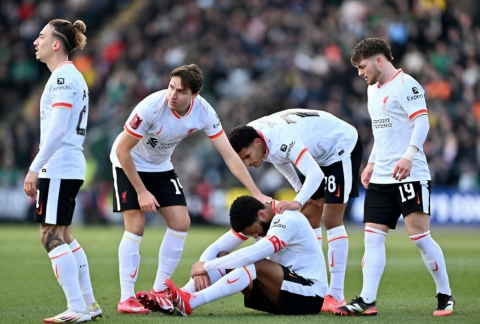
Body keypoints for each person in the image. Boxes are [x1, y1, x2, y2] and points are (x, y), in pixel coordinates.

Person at [110, 64, 271, 314]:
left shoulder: (204, 112)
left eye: (181, 91)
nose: (172, 95)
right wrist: (142, 191)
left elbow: (229, 156)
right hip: (128, 162)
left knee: (181, 222)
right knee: (136, 226)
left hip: (160, 167)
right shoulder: (150, 107)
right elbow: (122, 149)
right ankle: (126, 298)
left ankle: (159, 290)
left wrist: (257, 192)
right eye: (171, 87)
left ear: (194, 95)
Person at [333, 37, 454, 317]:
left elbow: (421, 123)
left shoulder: (407, 85)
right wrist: (372, 163)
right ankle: (366, 300)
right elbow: (382, 132)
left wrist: (409, 156)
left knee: (420, 237)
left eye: (362, 67)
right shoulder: (372, 91)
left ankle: (445, 295)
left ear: (378, 60)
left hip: (410, 174)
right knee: (373, 238)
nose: (360, 73)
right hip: (381, 177)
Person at [227, 108, 363, 311]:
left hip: (340, 147)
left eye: (247, 157)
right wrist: (300, 191)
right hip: (318, 153)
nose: (248, 164)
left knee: (332, 218)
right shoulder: (258, 137)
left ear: (257, 143)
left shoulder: (280, 137)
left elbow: (314, 175)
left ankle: (335, 295)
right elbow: (280, 160)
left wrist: (298, 201)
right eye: (242, 161)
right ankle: (317, 282)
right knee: (309, 219)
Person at [24, 19, 101, 323]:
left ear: (56, 44)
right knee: (65, 235)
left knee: (49, 236)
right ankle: (89, 304)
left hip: (59, 165)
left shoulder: (62, 79)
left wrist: (34, 167)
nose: (35, 41)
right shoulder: (70, 76)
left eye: (41, 36)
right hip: (68, 163)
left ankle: (77, 308)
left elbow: (57, 130)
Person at [155, 195, 328, 316]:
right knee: (225, 256)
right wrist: (203, 266)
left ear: (261, 214)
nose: (255, 236)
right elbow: (218, 248)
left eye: (254, 231)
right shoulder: (264, 218)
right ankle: (174, 298)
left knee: (256, 263)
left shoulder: (288, 219)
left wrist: (207, 266)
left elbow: (254, 254)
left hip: (310, 296)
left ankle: (191, 302)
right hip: (283, 295)